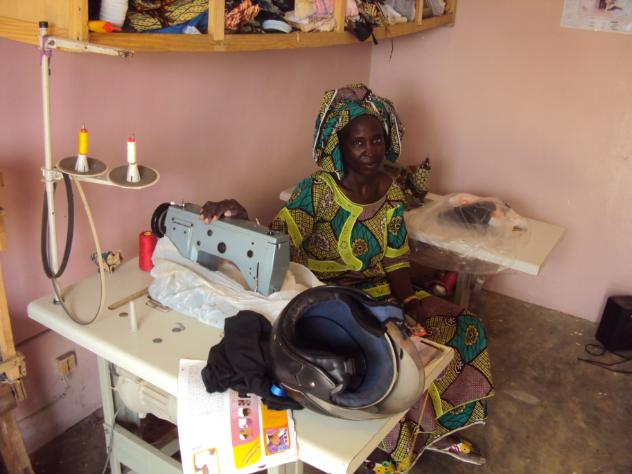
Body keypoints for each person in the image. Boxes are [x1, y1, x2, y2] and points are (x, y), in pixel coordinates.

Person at [199, 83, 494, 468]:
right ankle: (384, 454)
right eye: (358, 143)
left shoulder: (391, 193)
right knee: (393, 366)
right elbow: (276, 242)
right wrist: (239, 219)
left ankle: (436, 433)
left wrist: (408, 302)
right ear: (339, 147)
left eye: (376, 140)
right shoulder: (316, 192)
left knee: (462, 327)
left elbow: (395, 258)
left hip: (379, 294)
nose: (370, 150)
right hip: (326, 300)